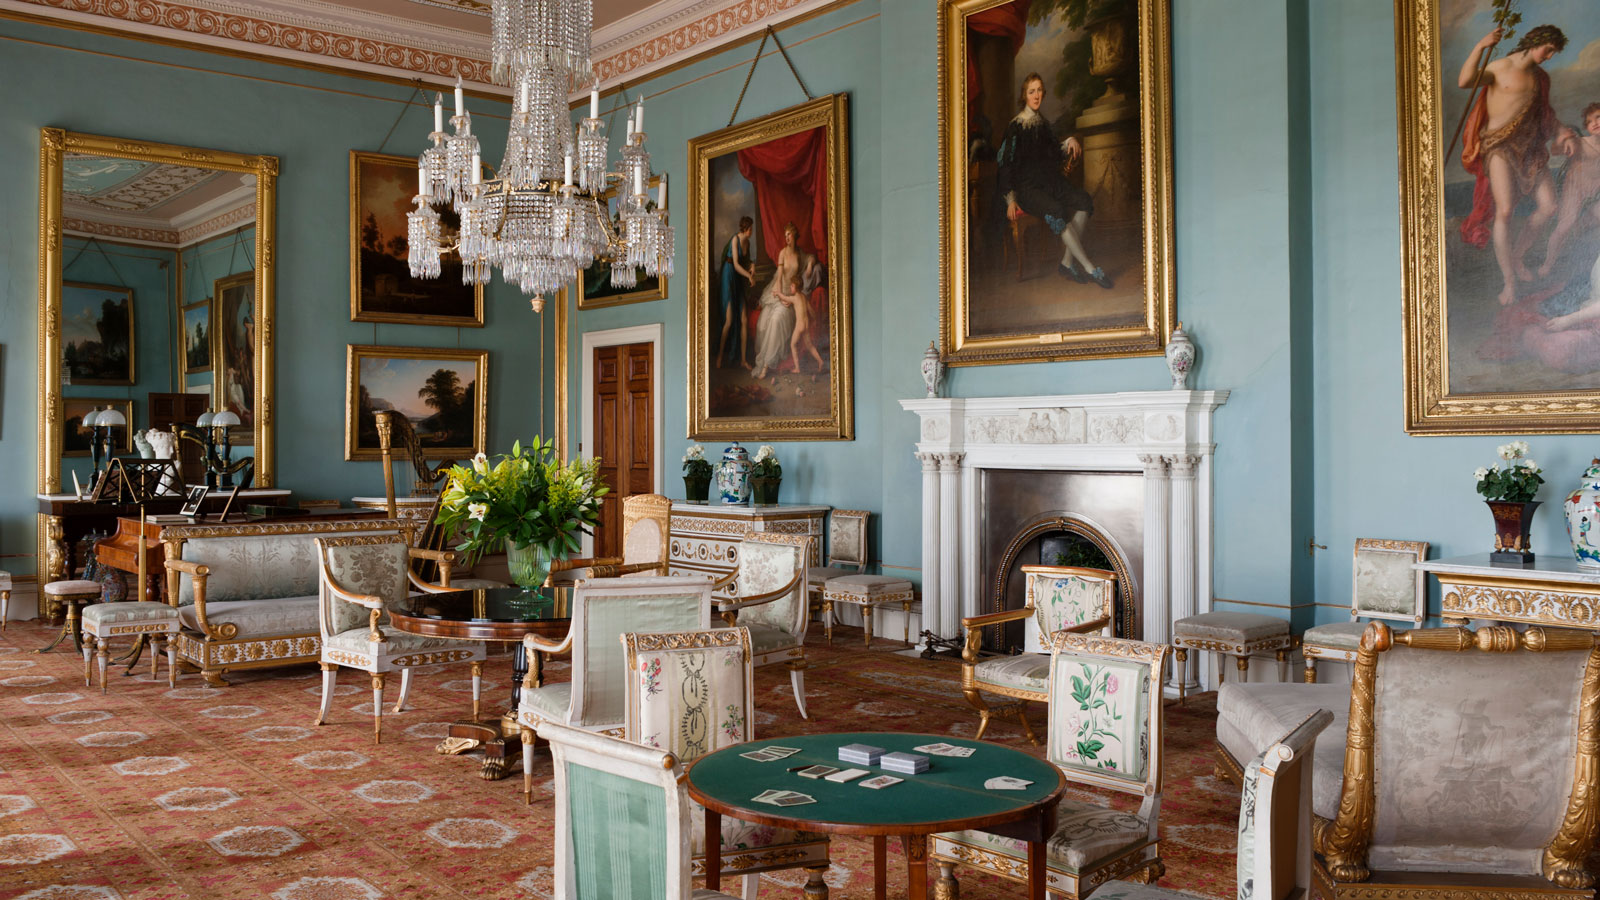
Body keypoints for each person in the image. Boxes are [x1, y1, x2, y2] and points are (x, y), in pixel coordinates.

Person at [1458, 24, 1575, 305]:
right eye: (1548, 51)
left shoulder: (1540, 78)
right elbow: (1464, 81)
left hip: (1530, 148)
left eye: (1553, 54)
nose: (1548, 57)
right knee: (1506, 210)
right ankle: (1509, 282)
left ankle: (1518, 256)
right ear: (1537, 41)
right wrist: (1481, 46)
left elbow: (1546, 115)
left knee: (1549, 206)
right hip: (1498, 145)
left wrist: (1563, 132)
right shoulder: (1499, 67)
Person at [996, 72, 1111, 289]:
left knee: (1083, 200)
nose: (1036, 95)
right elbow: (1006, 165)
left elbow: (1053, 152)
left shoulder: (1043, 123)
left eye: (1040, 90)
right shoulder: (1015, 126)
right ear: (1024, 95)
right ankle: (1089, 267)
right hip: (1027, 188)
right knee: (1057, 209)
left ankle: (1067, 262)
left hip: (1050, 182)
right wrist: (1010, 199)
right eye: (1032, 91)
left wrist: (1068, 140)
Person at [1537, 102, 1600, 279]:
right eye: (1589, 122)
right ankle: (1548, 264)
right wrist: (1563, 139)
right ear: (1586, 128)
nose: (1594, 123)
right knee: (1565, 226)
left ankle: (1583, 225)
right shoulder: (1580, 142)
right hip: (1575, 190)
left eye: (1598, 117)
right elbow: (1555, 150)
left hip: (1595, 194)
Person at [716, 217, 755, 368]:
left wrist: (753, 267)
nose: (751, 231)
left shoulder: (748, 242)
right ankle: (719, 357)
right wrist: (749, 276)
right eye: (750, 228)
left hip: (738, 278)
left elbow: (747, 261)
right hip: (729, 276)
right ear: (746, 229)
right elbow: (737, 265)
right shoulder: (735, 240)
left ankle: (743, 360)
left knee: (744, 319)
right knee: (730, 320)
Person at [778, 274, 825, 377]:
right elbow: (811, 311)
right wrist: (814, 320)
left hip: (799, 325)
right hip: (806, 324)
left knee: (792, 345)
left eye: (792, 286)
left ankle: (797, 368)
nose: (790, 287)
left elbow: (784, 297)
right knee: (810, 345)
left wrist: (777, 293)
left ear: (796, 287)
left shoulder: (795, 298)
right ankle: (820, 361)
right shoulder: (803, 297)